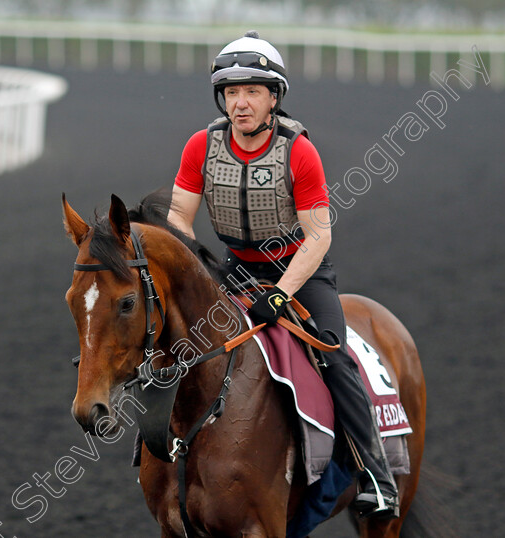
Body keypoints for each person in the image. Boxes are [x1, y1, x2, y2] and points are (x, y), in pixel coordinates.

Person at [166, 31, 399, 519]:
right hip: (234, 268)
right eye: (231, 92)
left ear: (274, 98)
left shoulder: (299, 151)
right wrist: (193, 268)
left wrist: (280, 294)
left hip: (301, 272)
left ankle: (376, 474)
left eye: (252, 91)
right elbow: (178, 220)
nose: (241, 103)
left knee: (335, 358)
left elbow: (319, 237)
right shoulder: (199, 147)